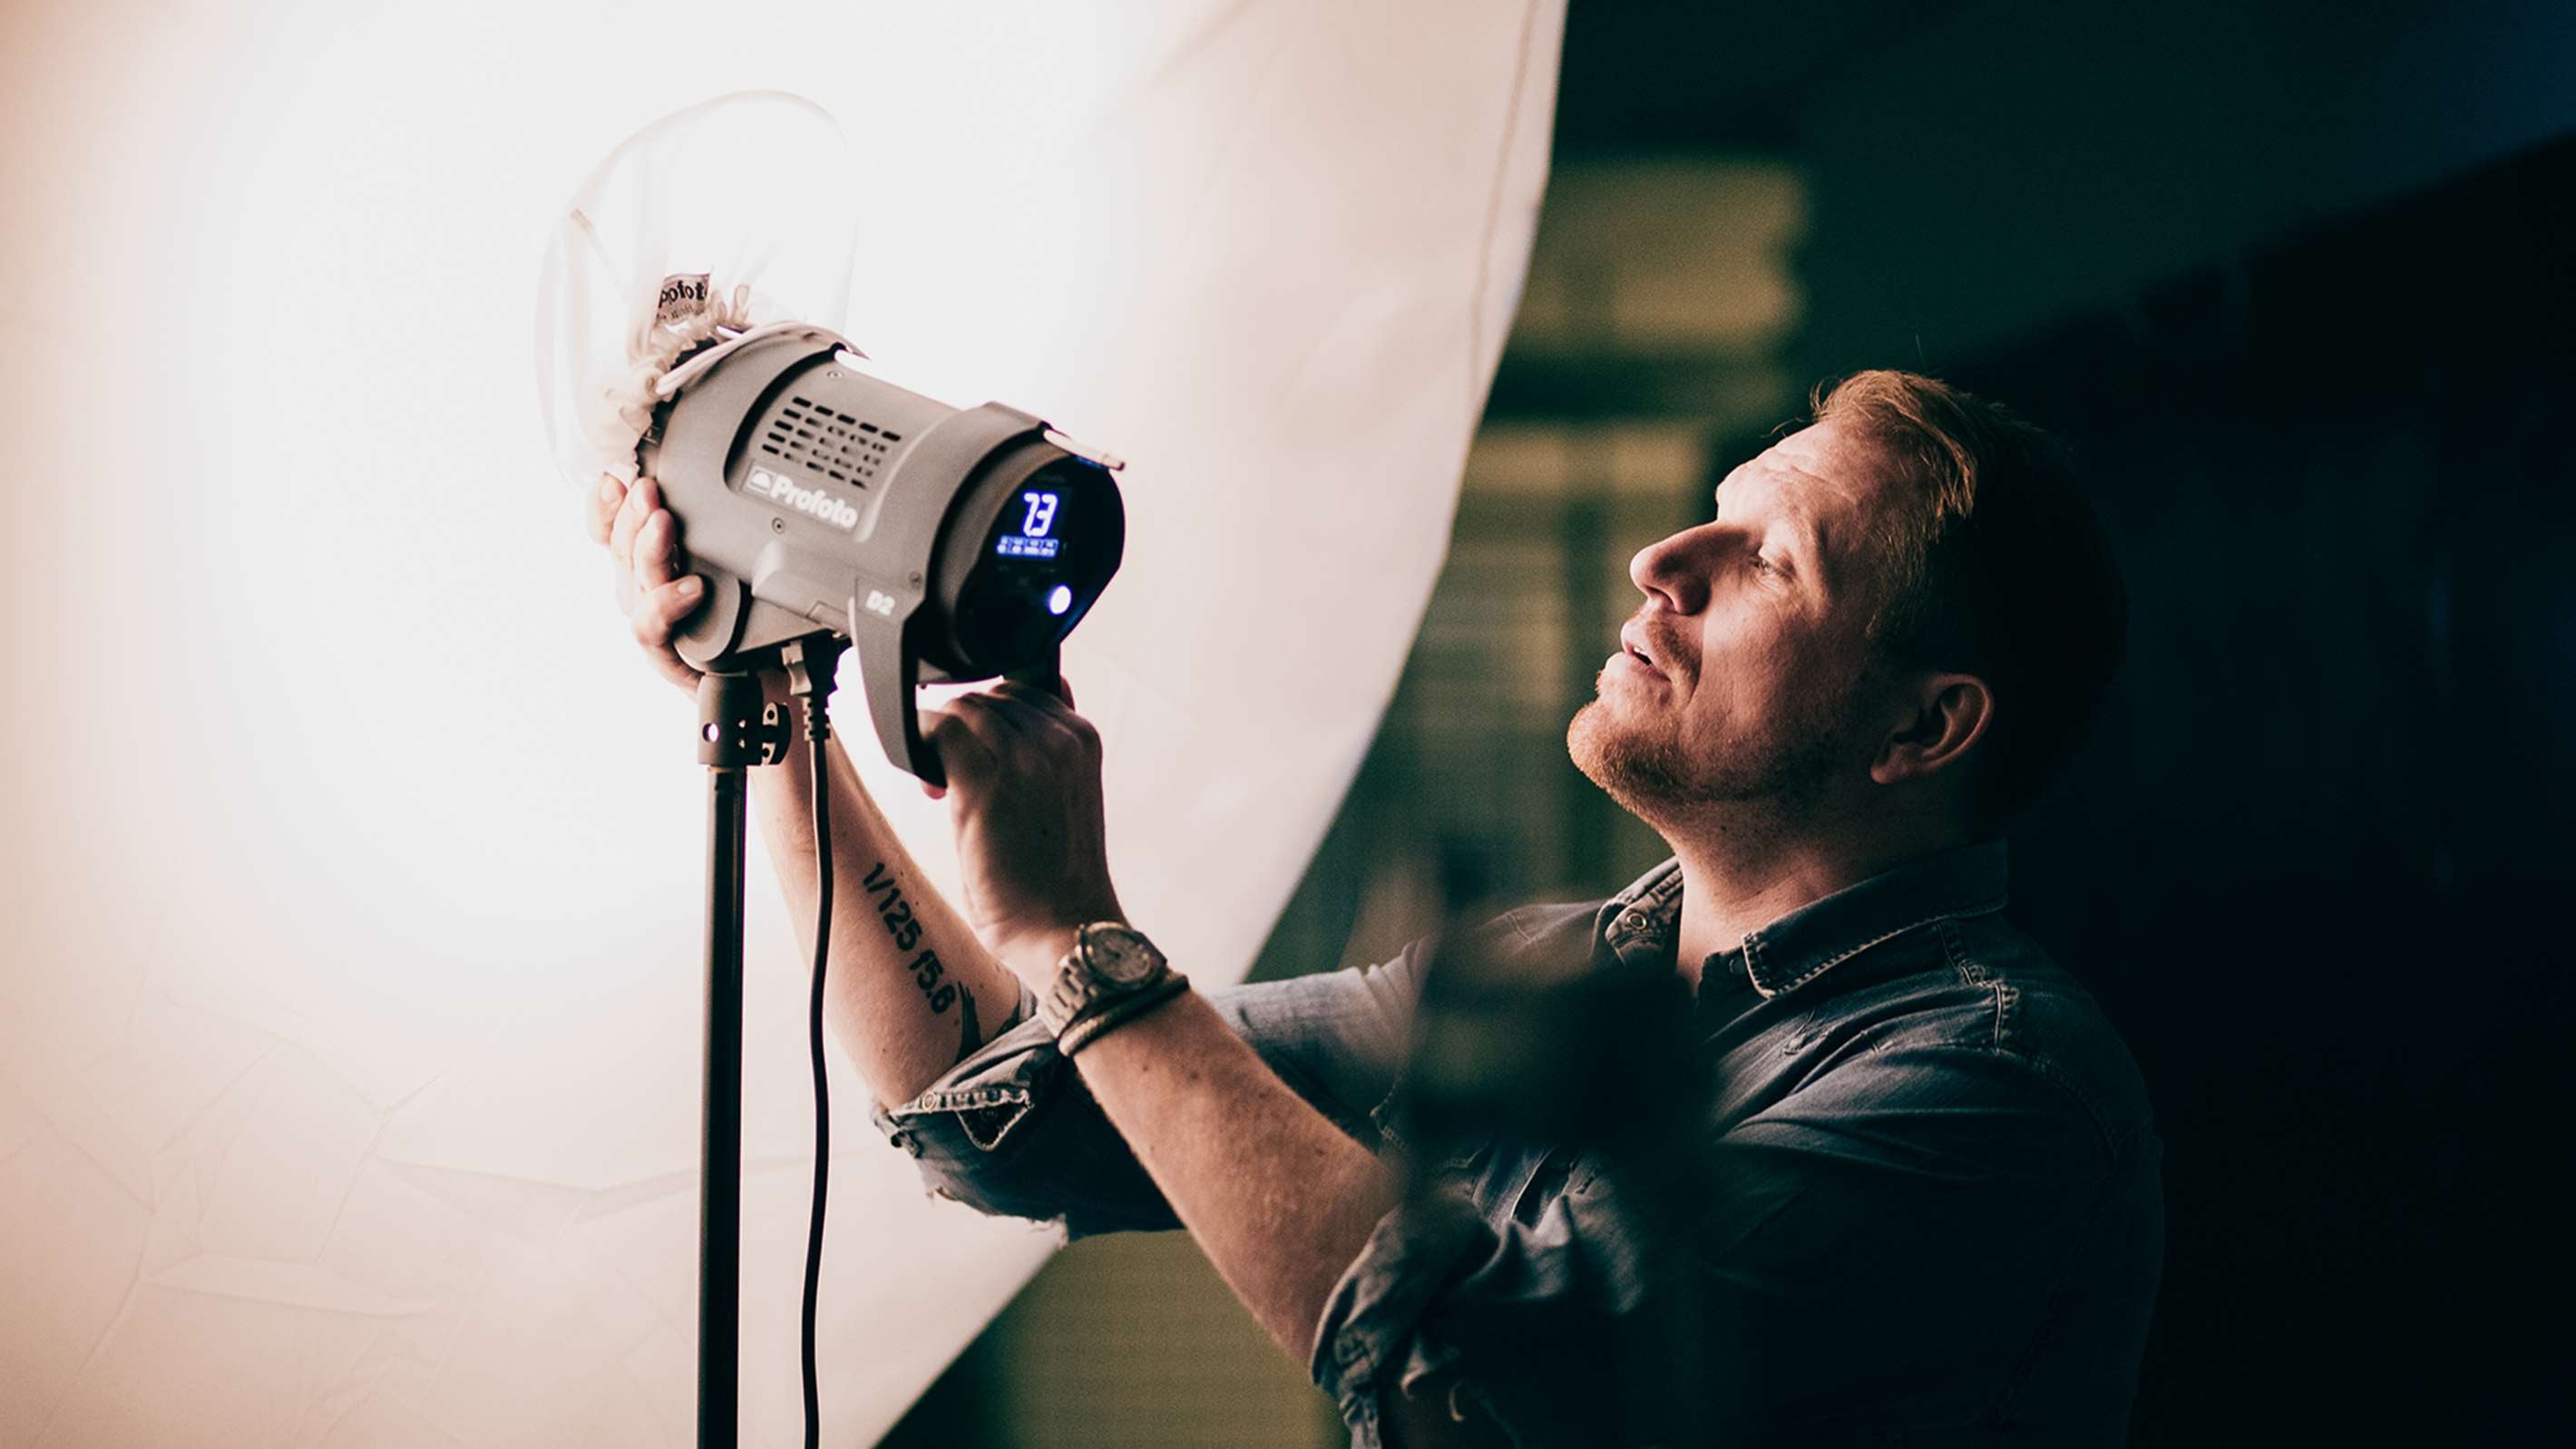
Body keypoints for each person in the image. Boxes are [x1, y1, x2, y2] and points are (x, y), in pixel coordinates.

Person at [586, 369, 2161, 1445]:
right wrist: (772, 700)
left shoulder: (1995, 1091)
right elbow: (1008, 1105)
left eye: (1773, 562)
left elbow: (1482, 1370)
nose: (1661, 555)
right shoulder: (1552, 969)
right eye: (1711, 511)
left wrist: (1083, 940)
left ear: (1924, 731)